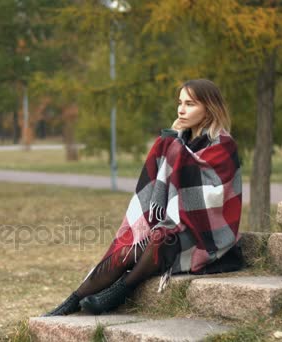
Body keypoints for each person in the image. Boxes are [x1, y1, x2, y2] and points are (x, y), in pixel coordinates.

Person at [42, 79, 244, 316]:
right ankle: (71, 302)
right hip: (172, 223)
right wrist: (174, 139)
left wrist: (173, 141)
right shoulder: (180, 139)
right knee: (127, 248)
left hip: (205, 234)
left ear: (209, 107)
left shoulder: (223, 144)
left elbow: (213, 198)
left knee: (160, 240)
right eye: (180, 103)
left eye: (190, 104)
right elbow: (162, 173)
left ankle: (118, 293)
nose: (181, 110)